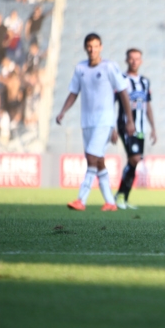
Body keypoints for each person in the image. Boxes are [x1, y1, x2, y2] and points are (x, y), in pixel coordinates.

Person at [56, 33, 135, 211]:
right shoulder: (80, 68)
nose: (92, 50)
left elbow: (123, 92)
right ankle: (110, 202)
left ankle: (81, 200)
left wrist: (128, 120)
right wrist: (63, 111)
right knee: (97, 160)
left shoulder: (109, 67)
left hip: (104, 122)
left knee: (91, 156)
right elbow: (73, 92)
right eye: (89, 46)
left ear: (101, 47)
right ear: (85, 48)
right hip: (87, 122)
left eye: (96, 46)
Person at [112, 48, 156, 209]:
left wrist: (153, 128)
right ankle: (120, 197)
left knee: (134, 162)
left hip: (141, 128)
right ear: (126, 60)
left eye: (137, 59)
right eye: (131, 58)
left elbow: (148, 106)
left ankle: (122, 197)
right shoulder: (121, 79)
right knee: (135, 159)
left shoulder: (145, 82)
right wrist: (113, 128)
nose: (134, 61)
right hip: (126, 125)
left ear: (141, 61)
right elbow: (112, 104)